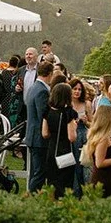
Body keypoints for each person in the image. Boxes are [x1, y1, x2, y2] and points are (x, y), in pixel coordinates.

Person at [82, 104, 111, 198]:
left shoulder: (104, 136)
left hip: (108, 177)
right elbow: (99, 163)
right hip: (103, 178)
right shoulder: (103, 139)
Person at [42, 81, 79, 199]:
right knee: (65, 183)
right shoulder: (68, 113)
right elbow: (71, 137)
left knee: (52, 181)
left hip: (52, 149)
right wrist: (75, 126)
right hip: (65, 151)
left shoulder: (48, 111)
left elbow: (45, 133)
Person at [23, 60, 54, 193]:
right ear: (50, 74)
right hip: (39, 137)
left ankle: (31, 194)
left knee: (36, 170)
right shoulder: (42, 91)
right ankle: (32, 196)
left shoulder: (33, 87)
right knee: (40, 172)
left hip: (32, 134)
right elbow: (44, 114)